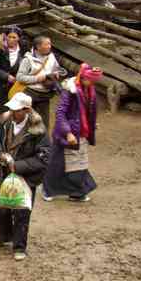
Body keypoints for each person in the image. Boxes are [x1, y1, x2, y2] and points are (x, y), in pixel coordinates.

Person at [0, 92, 50, 261]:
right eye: (11, 109)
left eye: (16, 110)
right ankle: (3, 237)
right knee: (1, 208)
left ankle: (19, 247)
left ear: (26, 110)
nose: (12, 113)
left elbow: (44, 157)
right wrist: (0, 155)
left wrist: (17, 166)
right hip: (5, 173)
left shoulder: (38, 131)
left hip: (26, 177)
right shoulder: (5, 123)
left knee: (22, 212)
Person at [43, 63, 103, 203]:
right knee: (58, 163)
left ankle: (77, 192)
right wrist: (68, 132)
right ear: (82, 78)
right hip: (67, 133)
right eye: (91, 81)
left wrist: (90, 124)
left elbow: (87, 111)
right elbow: (60, 113)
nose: (93, 84)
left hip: (80, 132)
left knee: (79, 162)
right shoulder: (70, 91)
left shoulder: (89, 90)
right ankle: (48, 189)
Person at [15, 35, 62, 131]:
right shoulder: (28, 60)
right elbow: (19, 77)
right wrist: (38, 78)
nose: (49, 46)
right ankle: (26, 143)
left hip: (45, 94)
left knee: (44, 121)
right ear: (38, 46)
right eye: (47, 44)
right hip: (30, 94)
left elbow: (57, 69)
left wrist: (56, 74)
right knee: (29, 120)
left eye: (50, 43)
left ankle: (43, 144)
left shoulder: (51, 57)